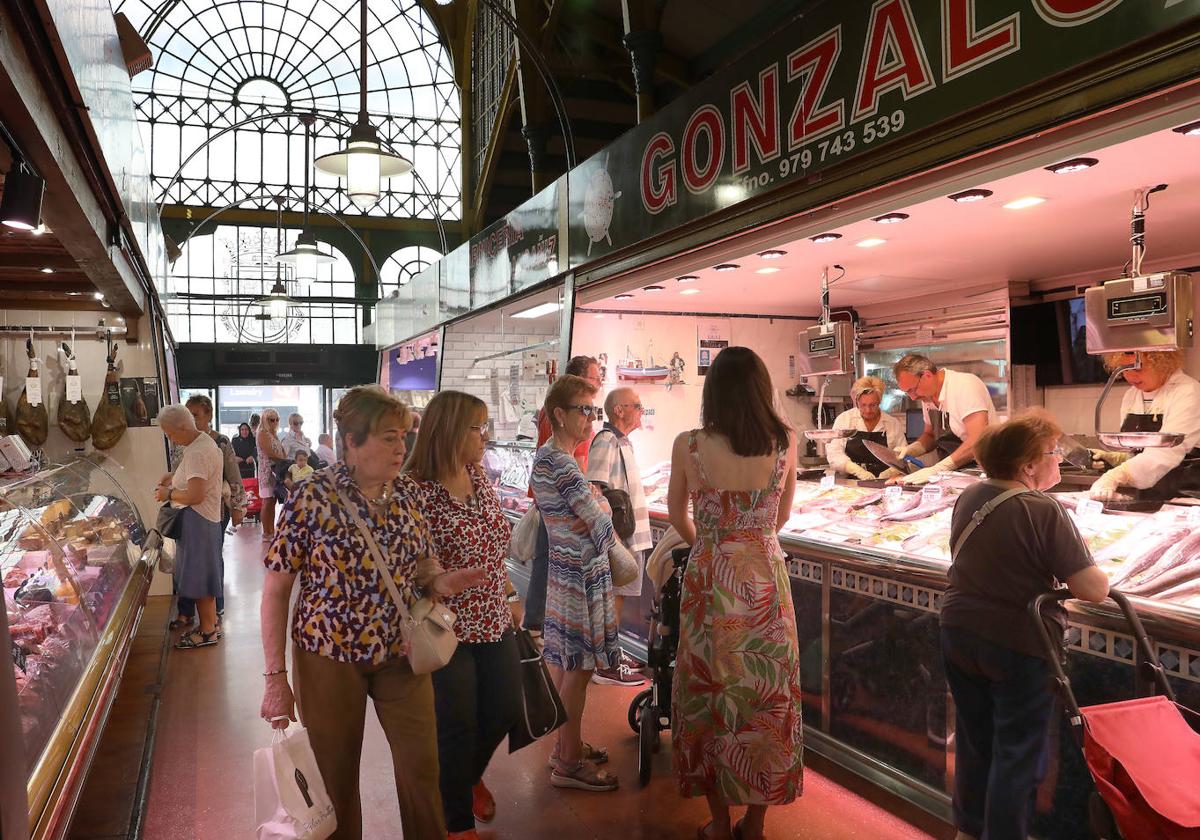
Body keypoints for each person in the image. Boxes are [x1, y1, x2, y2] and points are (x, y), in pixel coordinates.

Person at [259, 386, 485, 840]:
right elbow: (277, 588)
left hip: (402, 654)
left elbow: (422, 565)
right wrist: (275, 677)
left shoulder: (408, 495)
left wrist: (439, 581)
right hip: (327, 658)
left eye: (403, 436)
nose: (401, 447)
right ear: (351, 443)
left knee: (422, 769)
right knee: (336, 780)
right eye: (387, 437)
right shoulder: (310, 498)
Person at [941, 409, 1109, 840]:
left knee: (977, 743)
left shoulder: (971, 495)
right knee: (1017, 754)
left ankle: (967, 831)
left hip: (959, 632)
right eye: (1052, 453)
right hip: (1016, 643)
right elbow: (1093, 589)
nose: (1057, 460)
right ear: (1028, 465)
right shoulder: (1042, 508)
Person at [667, 346, 802, 840]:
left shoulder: (689, 445)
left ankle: (719, 823)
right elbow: (782, 516)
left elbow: (677, 512)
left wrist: (710, 544)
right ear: (762, 388)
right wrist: (751, 538)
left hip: (710, 578)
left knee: (709, 691)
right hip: (765, 576)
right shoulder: (785, 441)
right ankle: (757, 823)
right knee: (767, 695)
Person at [405, 391, 522, 840]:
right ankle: (456, 824)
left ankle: (469, 776)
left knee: (505, 708)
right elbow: (411, 559)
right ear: (452, 431)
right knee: (456, 723)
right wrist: (435, 578)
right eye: (478, 427)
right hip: (444, 624)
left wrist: (510, 593)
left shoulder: (478, 475)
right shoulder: (416, 488)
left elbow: (495, 544)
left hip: (492, 613)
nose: (485, 436)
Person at [531, 374, 620, 793]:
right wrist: (620, 554)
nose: (590, 418)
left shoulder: (554, 458)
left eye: (593, 409)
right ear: (559, 414)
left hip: (569, 574)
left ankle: (566, 745)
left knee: (569, 666)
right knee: (578, 670)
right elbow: (596, 517)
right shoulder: (561, 462)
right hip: (581, 575)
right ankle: (568, 762)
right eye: (583, 409)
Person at [524, 355, 603, 643]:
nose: (590, 417)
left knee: (546, 562)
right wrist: (597, 504)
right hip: (575, 593)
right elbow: (597, 522)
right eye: (595, 378)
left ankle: (537, 623)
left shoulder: (551, 425)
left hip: (566, 597)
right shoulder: (562, 452)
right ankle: (536, 622)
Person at [586, 386, 650, 687]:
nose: (641, 411)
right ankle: (606, 663)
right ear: (618, 410)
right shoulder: (607, 441)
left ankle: (611, 654)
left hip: (629, 536)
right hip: (618, 538)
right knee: (614, 599)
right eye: (636, 406)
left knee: (620, 597)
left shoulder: (623, 442)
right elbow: (594, 489)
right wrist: (610, 537)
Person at [168, 396, 246, 632]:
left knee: (210, 561)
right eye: (188, 415)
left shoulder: (219, 442)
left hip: (212, 509)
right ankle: (185, 611)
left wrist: (237, 506)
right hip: (184, 510)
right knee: (186, 562)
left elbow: (233, 475)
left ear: (209, 415)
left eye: (196, 415)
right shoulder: (181, 442)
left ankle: (215, 610)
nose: (191, 420)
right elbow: (176, 473)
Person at [155, 405, 224, 650]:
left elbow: (195, 495)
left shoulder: (197, 452)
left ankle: (206, 631)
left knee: (201, 579)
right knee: (205, 575)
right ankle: (211, 624)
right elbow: (196, 479)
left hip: (198, 520)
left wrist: (168, 492)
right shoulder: (202, 442)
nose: (170, 439)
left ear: (183, 428)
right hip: (205, 521)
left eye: (170, 434)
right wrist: (173, 477)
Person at [1089, 349, 1200, 501]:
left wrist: (1117, 475)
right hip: (1147, 496)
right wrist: (1117, 458)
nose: (1130, 376)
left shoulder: (1188, 391)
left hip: (1187, 497)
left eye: (1137, 368)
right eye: (1124, 369)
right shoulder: (1131, 395)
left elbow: (1167, 452)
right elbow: (1137, 451)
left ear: (1162, 363)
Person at [890, 353, 996, 485]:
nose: (912, 397)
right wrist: (913, 449)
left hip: (987, 469)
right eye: (907, 392)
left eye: (913, 390)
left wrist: (938, 469)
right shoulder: (927, 395)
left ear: (927, 375)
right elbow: (930, 435)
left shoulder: (965, 386)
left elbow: (978, 440)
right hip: (958, 471)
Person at [825, 376, 907, 480]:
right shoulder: (845, 420)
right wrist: (856, 470)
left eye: (873, 405)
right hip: (851, 481)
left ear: (880, 401)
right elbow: (834, 454)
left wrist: (891, 472)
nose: (868, 410)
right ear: (856, 401)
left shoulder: (892, 423)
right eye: (863, 405)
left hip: (885, 481)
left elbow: (903, 457)